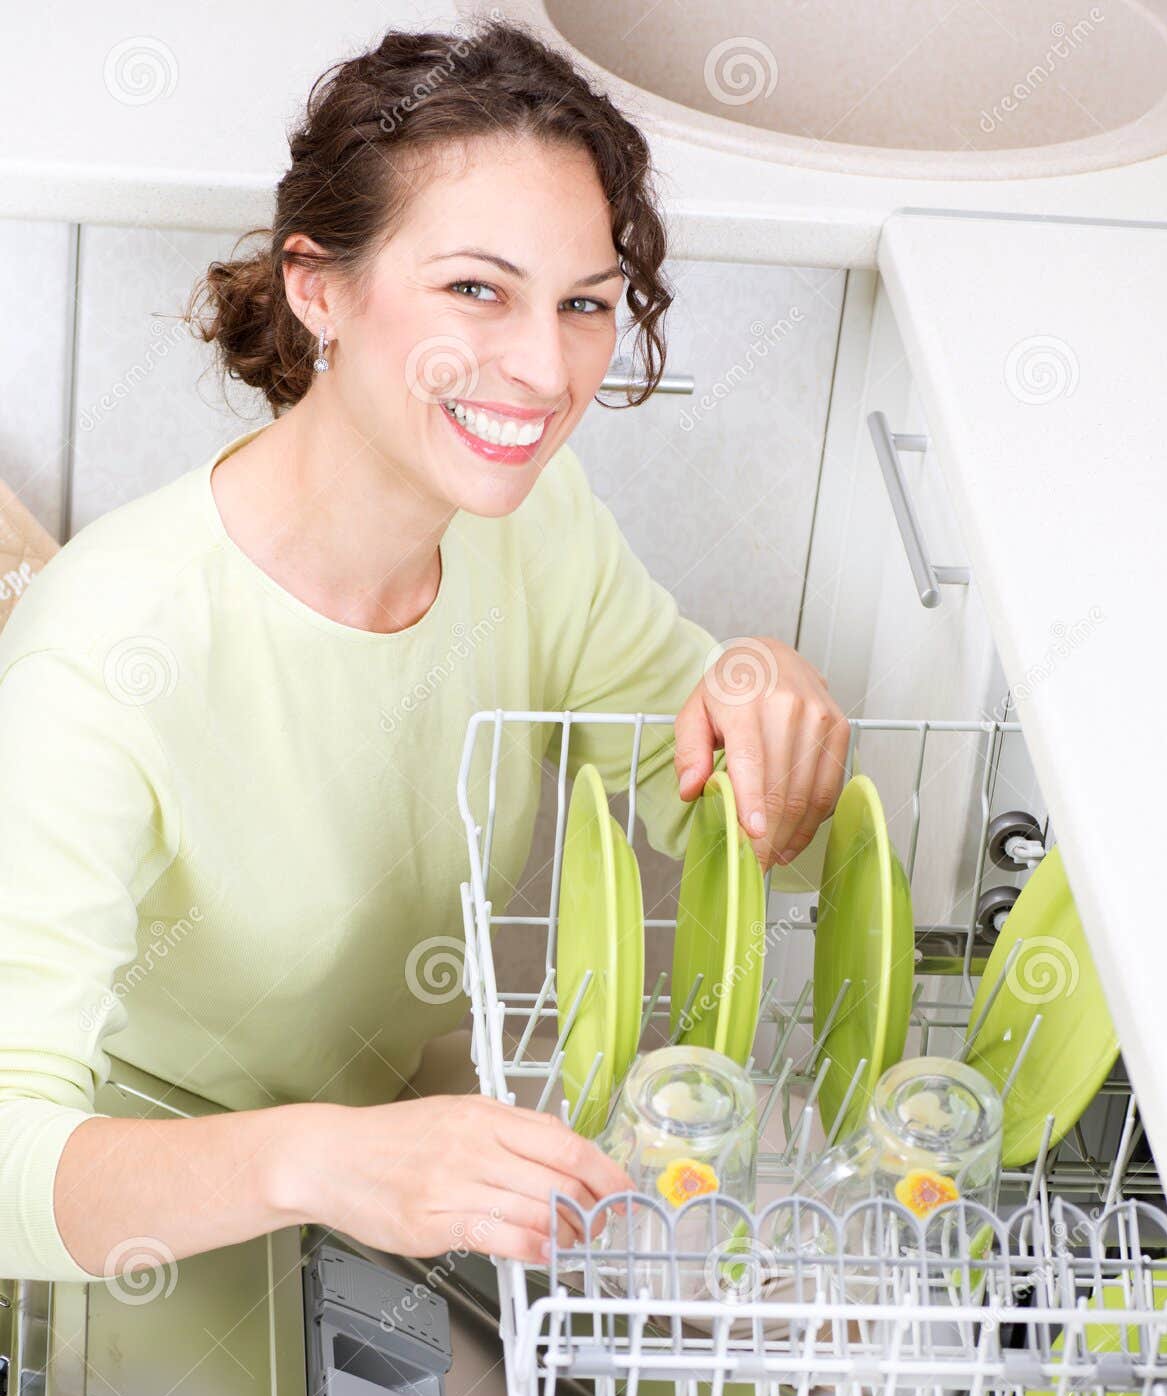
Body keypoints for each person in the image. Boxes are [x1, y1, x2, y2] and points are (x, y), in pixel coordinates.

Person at [0, 20, 848, 1284]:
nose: (544, 368)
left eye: (583, 304)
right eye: (475, 289)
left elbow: (730, 813)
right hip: (150, 1196)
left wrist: (767, 703)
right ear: (317, 286)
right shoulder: (106, 657)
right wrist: (319, 1159)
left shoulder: (536, 531)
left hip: (383, 1136)